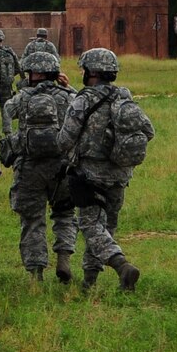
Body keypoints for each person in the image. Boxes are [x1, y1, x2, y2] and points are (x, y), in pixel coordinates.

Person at [58, 48, 149, 291]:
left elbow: (64, 140)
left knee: (91, 227)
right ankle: (89, 283)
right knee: (105, 228)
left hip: (90, 176)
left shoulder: (84, 99)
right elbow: (148, 131)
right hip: (120, 175)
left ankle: (122, 266)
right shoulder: (123, 98)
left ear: (92, 72)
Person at [1, 49, 76, 282]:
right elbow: (81, 105)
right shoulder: (67, 96)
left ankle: (36, 274)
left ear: (32, 73)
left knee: (32, 220)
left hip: (29, 168)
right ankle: (63, 258)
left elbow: (7, 110)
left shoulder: (24, 97)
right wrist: (69, 87)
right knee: (64, 214)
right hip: (62, 167)